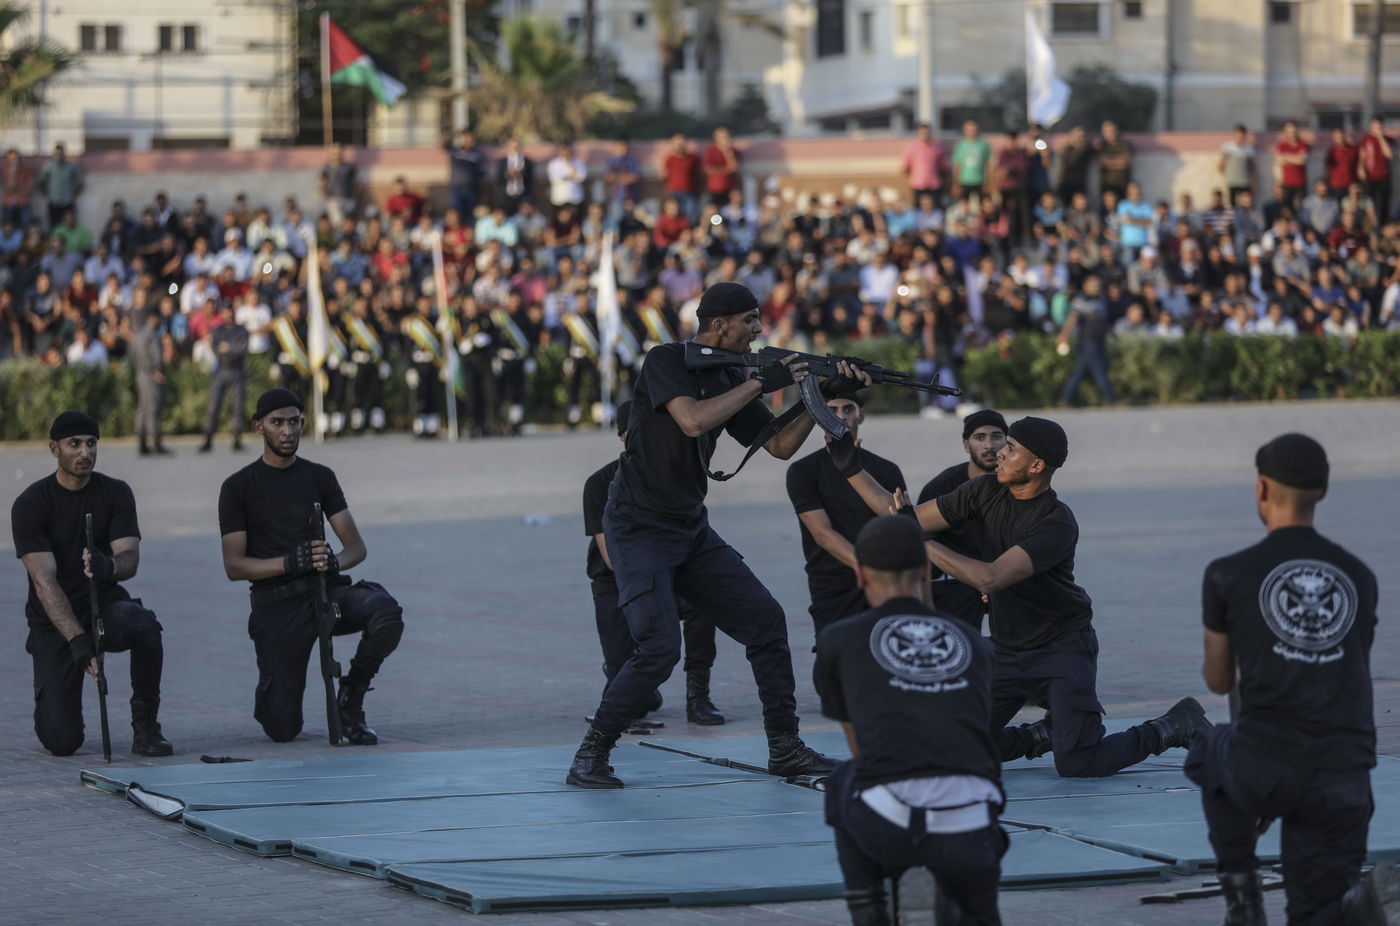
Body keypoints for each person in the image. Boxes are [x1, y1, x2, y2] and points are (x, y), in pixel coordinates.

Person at [565, 282, 845, 789]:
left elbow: (779, 445)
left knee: (765, 621)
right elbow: (692, 421)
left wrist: (817, 395)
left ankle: (786, 748)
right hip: (637, 525)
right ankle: (592, 753)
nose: (760, 331)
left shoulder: (730, 375)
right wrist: (761, 383)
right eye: (751, 321)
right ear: (719, 326)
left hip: (689, 526)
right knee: (658, 647)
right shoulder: (667, 359)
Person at [830, 416, 1212, 777]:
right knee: (948, 744)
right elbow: (902, 513)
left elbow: (990, 577)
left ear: (1035, 466)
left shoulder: (1056, 523)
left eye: (1010, 448)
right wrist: (850, 466)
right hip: (1007, 649)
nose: (999, 452)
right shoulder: (985, 490)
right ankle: (1038, 736)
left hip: (1061, 648)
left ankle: (1174, 724)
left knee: (1079, 764)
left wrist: (914, 535)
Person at [1188, 433, 1399, 926]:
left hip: (1267, 761)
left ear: (1262, 489)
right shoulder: (1359, 575)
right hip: (1345, 771)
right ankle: (1359, 906)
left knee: (1207, 750)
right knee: (1317, 912)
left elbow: (1219, 681)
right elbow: (1347, 668)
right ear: (1322, 492)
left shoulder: (1227, 573)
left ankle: (1243, 903)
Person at [816, 515, 1004, 926]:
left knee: (842, 779)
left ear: (861, 574)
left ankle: (868, 907)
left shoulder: (840, 640)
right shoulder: (974, 642)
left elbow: (862, 750)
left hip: (890, 826)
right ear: (924, 572)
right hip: (972, 825)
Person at [218, 389, 405, 744]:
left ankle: (351, 699)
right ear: (259, 426)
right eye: (277, 423)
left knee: (385, 613)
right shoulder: (238, 487)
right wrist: (288, 563)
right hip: (276, 605)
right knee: (282, 729)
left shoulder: (319, 477)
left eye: (294, 422)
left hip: (325, 591)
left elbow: (356, 547)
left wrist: (332, 560)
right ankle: (273, 684)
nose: (287, 431)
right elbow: (234, 565)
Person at [11, 411, 173, 757]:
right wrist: (76, 639)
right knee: (62, 741)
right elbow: (44, 581)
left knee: (144, 626)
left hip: (104, 605)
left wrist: (107, 566)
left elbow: (129, 559)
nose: (84, 452)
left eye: (91, 443)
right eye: (74, 444)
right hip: (53, 622)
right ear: (55, 449)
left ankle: (146, 727)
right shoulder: (31, 504)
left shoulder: (115, 493)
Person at [583, 401, 724, 728]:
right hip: (618, 583)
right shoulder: (599, 484)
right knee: (629, 695)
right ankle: (641, 692)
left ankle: (697, 695)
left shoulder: (674, 477)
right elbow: (614, 558)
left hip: (669, 573)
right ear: (622, 436)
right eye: (636, 431)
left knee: (702, 605)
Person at [786, 391, 906, 648]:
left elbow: (900, 523)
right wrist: (867, 570)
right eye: (831, 409)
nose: (840, 417)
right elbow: (822, 534)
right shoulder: (803, 471)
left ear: (860, 415)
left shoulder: (887, 470)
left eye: (848, 409)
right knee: (834, 662)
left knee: (885, 654)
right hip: (831, 582)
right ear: (819, 415)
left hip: (883, 581)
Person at [915, 410, 1008, 629]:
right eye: (980, 437)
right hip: (955, 583)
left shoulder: (1018, 484)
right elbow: (921, 540)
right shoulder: (942, 487)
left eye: (996, 437)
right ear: (966, 444)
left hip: (1007, 578)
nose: (989, 445)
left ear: (1007, 442)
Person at [1057, 274, 1117, 407]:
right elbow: (1072, 320)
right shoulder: (1081, 301)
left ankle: (1065, 399)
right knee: (1100, 370)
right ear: (1085, 286)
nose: (1096, 287)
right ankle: (1112, 400)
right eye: (1093, 285)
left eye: (1097, 285)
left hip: (1099, 341)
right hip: (1088, 341)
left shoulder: (1101, 300)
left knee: (1079, 372)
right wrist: (1063, 336)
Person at [200, 303, 249, 453]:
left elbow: (243, 349)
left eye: (231, 312)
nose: (229, 315)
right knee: (213, 407)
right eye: (226, 312)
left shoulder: (241, 330)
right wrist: (233, 347)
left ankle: (236, 439)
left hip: (237, 370)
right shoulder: (218, 331)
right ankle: (208, 439)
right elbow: (216, 349)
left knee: (237, 407)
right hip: (221, 371)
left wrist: (229, 347)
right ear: (222, 313)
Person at [37, 143, 84, 228]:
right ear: (54, 154)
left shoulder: (71, 166)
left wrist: (74, 194)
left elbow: (80, 182)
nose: (59, 156)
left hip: (68, 202)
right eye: (57, 153)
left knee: (70, 226)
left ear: (64, 154)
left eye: (61, 153)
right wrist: (46, 194)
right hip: (54, 202)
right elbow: (40, 181)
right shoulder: (49, 166)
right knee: (54, 226)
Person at [445, 129, 486, 220]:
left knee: (470, 217)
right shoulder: (455, 152)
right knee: (455, 215)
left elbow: (482, 176)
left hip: (472, 191)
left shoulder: (478, 155)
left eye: (470, 138)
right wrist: (454, 133)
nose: (469, 140)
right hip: (456, 190)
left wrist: (482, 196)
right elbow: (441, 144)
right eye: (466, 138)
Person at [1359, 116, 1393, 222]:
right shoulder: (1366, 139)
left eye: (1379, 127)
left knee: (1383, 202)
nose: (1377, 129)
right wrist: (1360, 168)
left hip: (1384, 176)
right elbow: (1362, 155)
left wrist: (1380, 138)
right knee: (1369, 202)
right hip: (1370, 176)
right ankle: (1370, 224)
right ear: (1371, 127)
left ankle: (1383, 223)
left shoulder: (1387, 139)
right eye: (1375, 127)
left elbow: (1389, 154)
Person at [901, 123, 944, 205]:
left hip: (934, 184)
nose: (925, 135)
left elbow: (942, 167)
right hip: (918, 184)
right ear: (918, 134)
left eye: (926, 133)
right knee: (918, 210)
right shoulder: (912, 147)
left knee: (936, 209)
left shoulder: (937, 148)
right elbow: (905, 167)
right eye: (922, 133)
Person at [1274, 120, 1311, 215]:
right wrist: (1295, 158)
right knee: (1287, 211)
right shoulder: (1281, 146)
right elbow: (1279, 161)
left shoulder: (1303, 144)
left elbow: (1302, 160)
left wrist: (1286, 157)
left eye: (1294, 131)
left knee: (1303, 210)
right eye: (1289, 131)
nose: (1292, 133)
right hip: (1287, 184)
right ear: (1285, 132)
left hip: (1300, 183)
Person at [319, 144, 357, 227]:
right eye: (334, 154)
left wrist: (353, 196)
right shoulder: (326, 168)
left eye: (338, 153)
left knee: (350, 223)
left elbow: (354, 183)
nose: (336, 156)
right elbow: (322, 183)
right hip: (334, 200)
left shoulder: (348, 167)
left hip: (347, 199)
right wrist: (326, 197)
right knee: (338, 224)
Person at [703, 126, 741, 208]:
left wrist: (727, 153)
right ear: (716, 138)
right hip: (715, 189)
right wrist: (726, 170)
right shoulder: (711, 151)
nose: (726, 139)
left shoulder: (733, 151)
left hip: (730, 189)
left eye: (727, 137)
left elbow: (735, 167)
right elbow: (709, 169)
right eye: (723, 137)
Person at [1219, 125, 1256, 205]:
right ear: (1235, 135)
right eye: (1238, 135)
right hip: (1232, 181)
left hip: (1245, 181)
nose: (1240, 137)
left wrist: (1253, 182)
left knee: (1245, 204)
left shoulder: (1249, 149)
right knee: (1232, 204)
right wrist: (1226, 176)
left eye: (1242, 135)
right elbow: (1222, 164)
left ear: (1245, 136)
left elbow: (1252, 166)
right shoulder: (1228, 147)